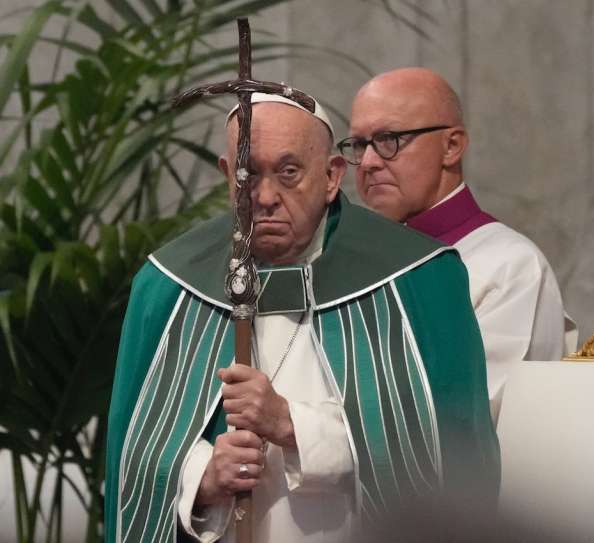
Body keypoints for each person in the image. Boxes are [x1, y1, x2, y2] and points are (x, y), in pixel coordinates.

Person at [104, 90, 499, 543]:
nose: (266, 196)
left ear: (332, 176)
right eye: (248, 175)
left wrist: (290, 425)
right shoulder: (169, 286)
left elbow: (451, 449)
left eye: (289, 172)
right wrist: (201, 478)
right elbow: (134, 456)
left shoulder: (417, 280)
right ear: (226, 174)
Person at [340, 67, 577, 424]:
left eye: (389, 139)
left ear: (451, 146)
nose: (369, 162)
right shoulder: (345, 263)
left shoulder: (510, 268)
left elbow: (469, 420)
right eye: (359, 144)